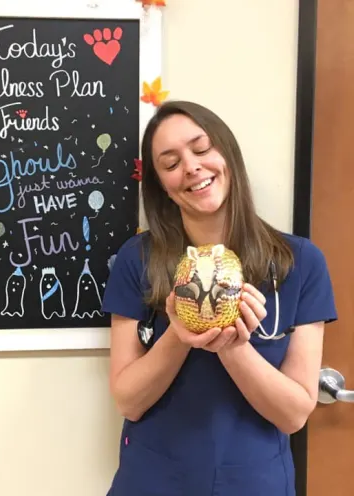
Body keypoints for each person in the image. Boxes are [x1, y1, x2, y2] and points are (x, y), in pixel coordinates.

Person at [101, 101, 337, 495]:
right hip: (154, 479)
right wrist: (179, 333)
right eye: (170, 162)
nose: (191, 167)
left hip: (254, 481)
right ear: (161, 185)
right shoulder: (137, 259)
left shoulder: (300, 262)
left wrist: (232, 345)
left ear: (227, 153)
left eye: (201, 147)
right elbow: (129, 401)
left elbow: (294, 414)